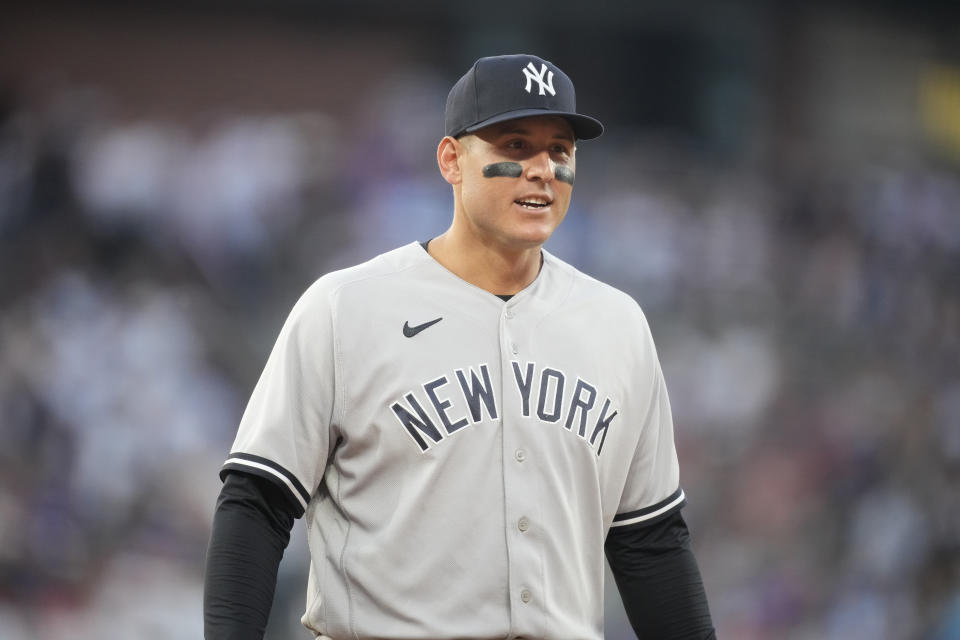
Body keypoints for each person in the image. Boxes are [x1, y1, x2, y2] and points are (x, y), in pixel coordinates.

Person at [204, 53, 716, 640]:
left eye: (560, 150)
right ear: (452, 159)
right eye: (515, 146)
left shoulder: (617, 323)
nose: (542, 169)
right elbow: (256, 501)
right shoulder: (347, 306)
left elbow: (649, 539)